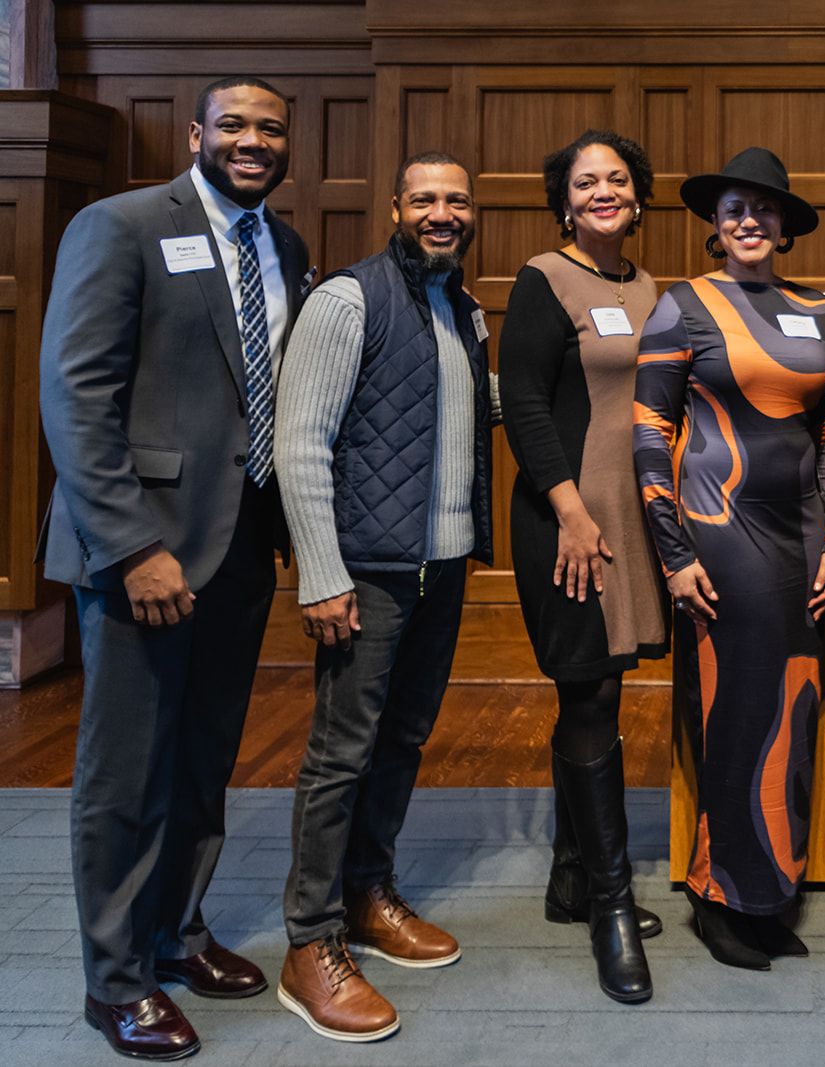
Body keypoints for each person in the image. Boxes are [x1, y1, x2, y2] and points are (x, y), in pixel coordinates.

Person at [37, 76, 307, 1061]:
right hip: (142, 553)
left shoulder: (284, 245)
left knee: (202, 760)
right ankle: (114, 980)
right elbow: (74, 397)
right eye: (232, 124)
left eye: (269, 128)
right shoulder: (119, 226)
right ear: (197, 133)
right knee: (125, 774)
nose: (251, 140)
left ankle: (177, 932)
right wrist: (132, 545)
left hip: (238, 550)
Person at [273, 151, 493, 1042]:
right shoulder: (346, 300)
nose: (442, 213)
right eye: (426, 199)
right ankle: (309, 940)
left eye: (457, 200)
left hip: (440, 566)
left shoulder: (463, 308)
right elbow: (301, 443)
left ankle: (367, 892)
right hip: (365, 569)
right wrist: (322, 572)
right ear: (396, 207)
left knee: (402, 737)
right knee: (343, 750)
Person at [633, 147, 825, 970]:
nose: (748, 221)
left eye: (764, 210)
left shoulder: (818, 312)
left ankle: (767, 890)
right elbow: (649, 434)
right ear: (714, 226)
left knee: (792, 709)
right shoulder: (681, 307)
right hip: (719, 533)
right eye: (733, 210)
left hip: (801, 538)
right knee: (737, 711)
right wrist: (674, 551)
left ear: (784, 226)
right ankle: (721, 894)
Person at [498, 129, 668, 1004]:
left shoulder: (647, 287)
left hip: (632, 520)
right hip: (568, 521)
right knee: (589, 690)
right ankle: (609, 902)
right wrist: (568, 509)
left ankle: (571, 877)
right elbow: (521, 401)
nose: (603, 191)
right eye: (585, 182)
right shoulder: (543, 278)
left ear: (638, 197)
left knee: (601, 689)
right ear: (564, 200)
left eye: (618, 180)